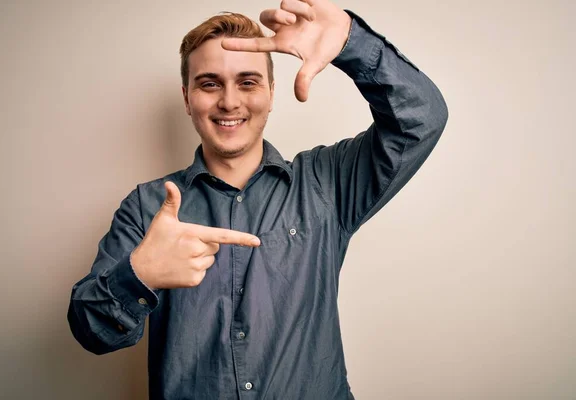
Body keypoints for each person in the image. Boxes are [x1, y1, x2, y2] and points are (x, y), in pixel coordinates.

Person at [68, 0, 448, 398]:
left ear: (270, 91)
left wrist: (352, 43)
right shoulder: (148, 208)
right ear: (187, 98)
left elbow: (421, 120)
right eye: (209, 83)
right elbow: (91, 333)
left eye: (247, 82)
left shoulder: (327, 183)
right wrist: (137, 275)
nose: (229, 102)